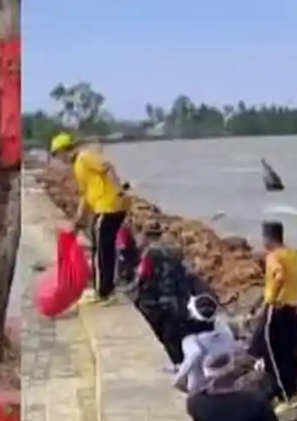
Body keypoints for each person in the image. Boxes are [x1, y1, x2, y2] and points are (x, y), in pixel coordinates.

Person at [49, 132, 129, 304]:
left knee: (100, 251)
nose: (58, 160)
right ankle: (106, 289)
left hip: (108, 207)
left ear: (64, 150)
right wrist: (78, 219)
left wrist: (118, 191)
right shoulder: (78, 165)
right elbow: (86, 195)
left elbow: (107, 167)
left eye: (57, 155)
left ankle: (103, 292)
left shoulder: (85, 158)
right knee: (104, 249)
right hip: (106, 208)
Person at [250, 220, 297, 409]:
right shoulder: (294, 253)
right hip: (295, 309)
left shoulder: (273, 256)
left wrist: (269, 301)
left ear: (267, 238)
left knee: (269, 351)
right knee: (289, 352)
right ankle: (292, 391)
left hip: (277, 309)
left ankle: (284, 395)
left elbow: (278, 276)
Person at [134, 220, 194, 365]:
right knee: (174, 338)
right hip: (176, 301)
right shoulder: (175, 251)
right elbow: (185, 274)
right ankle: (179, 365)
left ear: (146, 235)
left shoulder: (149, 253)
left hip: (153, 302)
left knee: (156, 337)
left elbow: (143, 276)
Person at [173, 294, 239, 395]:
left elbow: (195, 355)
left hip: (200, 388)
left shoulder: (192, 340)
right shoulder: (226, 333)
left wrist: (178, 379)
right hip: (225, 387)